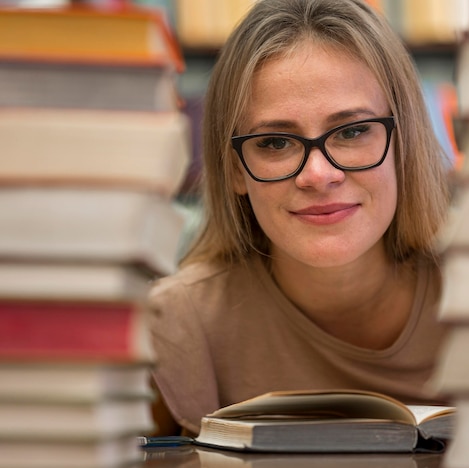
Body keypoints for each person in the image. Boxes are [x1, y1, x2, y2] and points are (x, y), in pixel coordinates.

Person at [148, 0, 451, 436]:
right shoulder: (178, 324)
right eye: (274, 142)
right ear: (235, 168)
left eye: (351, 132)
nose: (318, 175)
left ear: (406, 142)